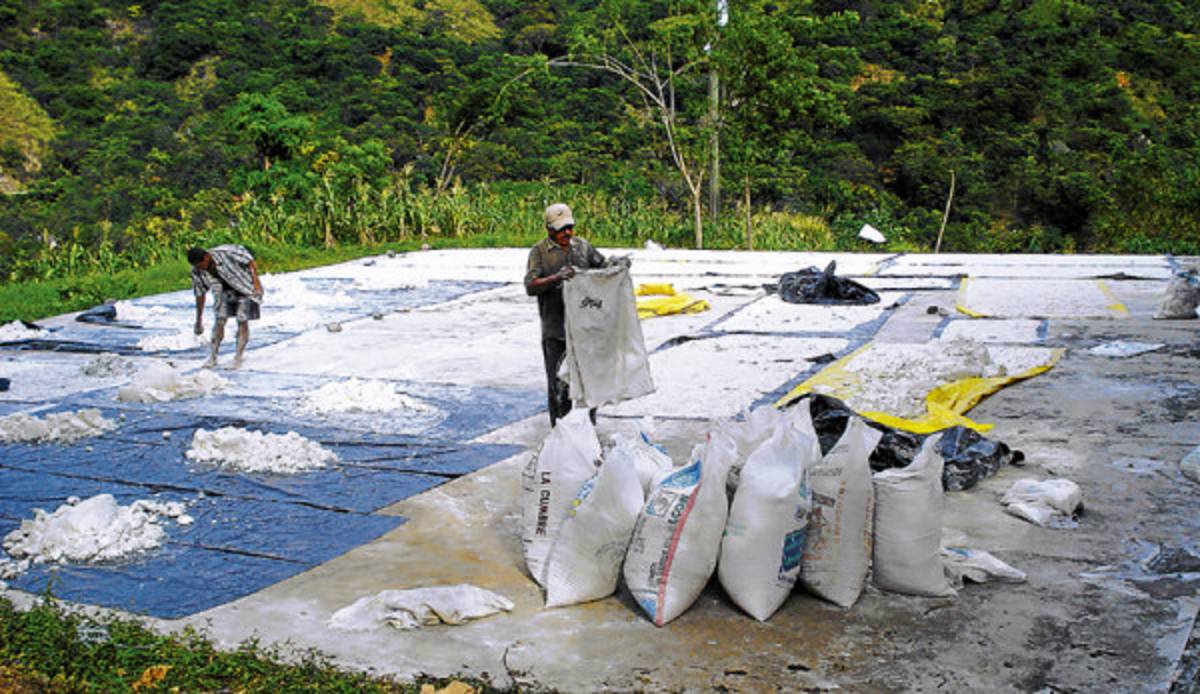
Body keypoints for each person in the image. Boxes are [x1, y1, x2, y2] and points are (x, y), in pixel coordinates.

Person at [524, 203, 628, 426]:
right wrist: (556, 278)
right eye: (561, 229)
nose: (567, 233)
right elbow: (531, 285)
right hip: (556, 333)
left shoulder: (582, 247)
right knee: (559, 388)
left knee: (588, 386)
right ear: (549, 229)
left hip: (585, 332)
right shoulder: (540, 252)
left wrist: (617, 265)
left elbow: (602, 268)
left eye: (569, 227)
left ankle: (587, 433)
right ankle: (560, 433)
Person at [187, 244, 263, 369]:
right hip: (222, 290)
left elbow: (249, 260)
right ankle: (213, 357)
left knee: (242, 320)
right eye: (197, 267)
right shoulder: (197, 272)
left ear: (207, 257)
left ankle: (238, 358)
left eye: (201, 265)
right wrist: (198, 320)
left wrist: (256, 282)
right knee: (219, 320)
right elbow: (200, 295)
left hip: (245, 286)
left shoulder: (227, 252)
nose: (201, 269)